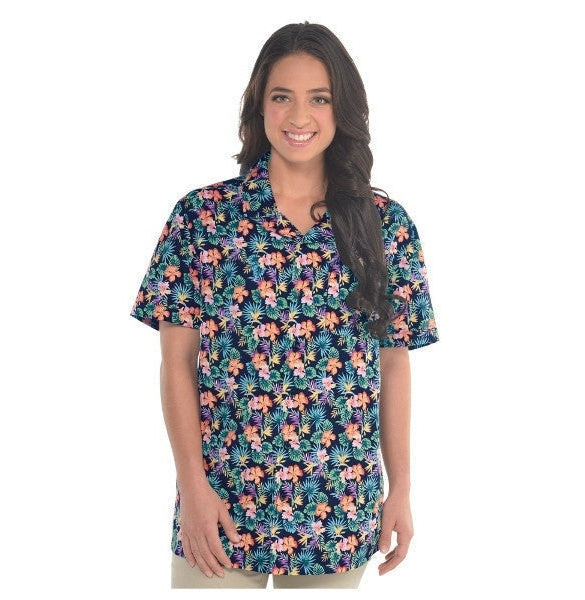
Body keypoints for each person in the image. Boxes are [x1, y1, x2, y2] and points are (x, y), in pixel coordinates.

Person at [129, 21, 439, 589]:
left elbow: (394, 363)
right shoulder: (202, 218)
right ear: (259, 105)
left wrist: (401, 489)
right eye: (282, 97)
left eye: (319, 98)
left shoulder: (386, 225)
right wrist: (192, 488)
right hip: (221, 506)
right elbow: (176, 362)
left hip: (337, 508)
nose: (299, 116)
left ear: (343, 108)